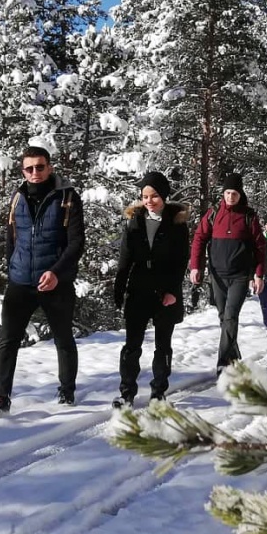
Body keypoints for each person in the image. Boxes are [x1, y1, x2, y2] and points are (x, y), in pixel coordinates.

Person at [0, 145, 85, 414]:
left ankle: (67, 392)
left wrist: (56, 273)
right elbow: (11, 238)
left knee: (63, 339)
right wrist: (12, 268)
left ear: (49, 167)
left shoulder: (67, 197)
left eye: (40, 167)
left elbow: (76, 243)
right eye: (29, 168)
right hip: (21, 281)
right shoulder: (17, 198)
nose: (35, 172)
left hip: (55, 281)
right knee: (7, 341)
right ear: (23, 171)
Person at [112, 171, 190, 409]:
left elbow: (180, 261)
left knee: (162, 345)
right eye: (145, 196)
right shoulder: (134, 222)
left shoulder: (177, 224)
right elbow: (125, 259)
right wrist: (119, 287)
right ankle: (126, 393)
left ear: (163, 196)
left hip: (165, 289)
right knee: (132, 344)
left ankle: (158, 392)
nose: (149, 201)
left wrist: (172, 291)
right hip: (139, 287)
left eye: (154, 196)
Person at [189, 172, 266, 374]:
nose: (231, 197)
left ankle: (223, 363)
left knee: (231, 316)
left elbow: (260, 247)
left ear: (240, 195)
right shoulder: (214, 214)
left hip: (240, 275)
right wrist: (196, 266)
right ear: (223, 194)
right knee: (224, 317)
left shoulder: (249, 216)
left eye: (235, 193)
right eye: (227, 193)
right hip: (218, 275)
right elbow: (199, 239)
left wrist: (258, 274)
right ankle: (234, 358)